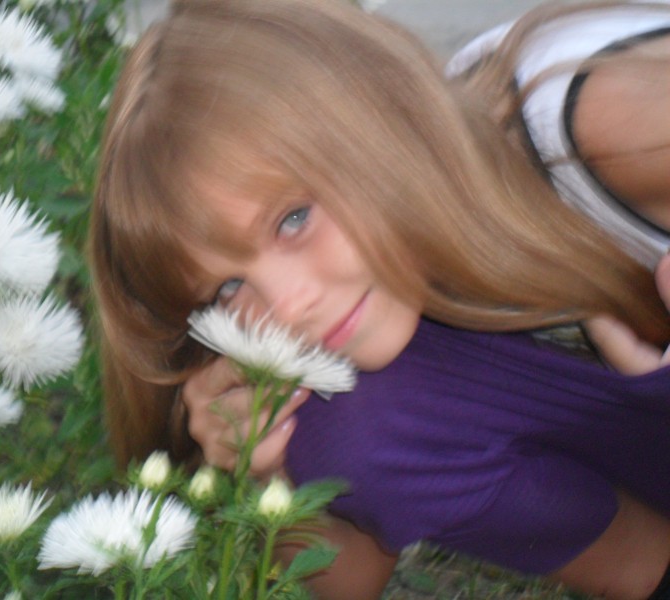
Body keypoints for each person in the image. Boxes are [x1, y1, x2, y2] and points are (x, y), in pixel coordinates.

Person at [89, 0, 670, 597]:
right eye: (227, 287)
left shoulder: (609, 121)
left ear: (366, 121)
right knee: (342, 429)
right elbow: (348, 583)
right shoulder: (373, 333)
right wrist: (268, 474)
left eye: (293, 218)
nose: (288, 307)